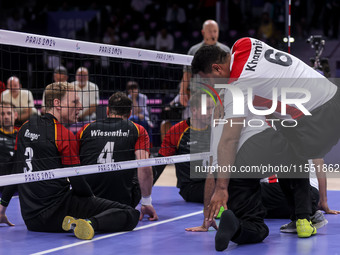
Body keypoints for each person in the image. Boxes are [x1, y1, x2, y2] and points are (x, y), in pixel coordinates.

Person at [189, 39, 340, 248]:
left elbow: (229, 140)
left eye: (210, 80)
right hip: (330, 94)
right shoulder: (244, 43)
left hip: (316, 117)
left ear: (217, 67)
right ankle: (304, 217)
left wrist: (221, 187)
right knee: (292, 153)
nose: (213, 86)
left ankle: (250, 225)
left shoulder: (238, 86)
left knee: (293, 153)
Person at [0, 82, 140, 240]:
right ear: (57, 103)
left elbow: (15, 171)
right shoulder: (63, 134)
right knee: (130, 213)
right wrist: (93, 201)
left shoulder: (25, 127)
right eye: (75, 102)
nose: (80, 107)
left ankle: (75, 221)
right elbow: (78, 183)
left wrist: (2, 207)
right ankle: (89, 223)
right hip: (58, 210)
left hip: (31, 219)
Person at [77, 92, 158, 221]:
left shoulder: (85, 128)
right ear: (130, 113)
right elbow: (144, 167)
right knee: (149, 167)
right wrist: (146, 202)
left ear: (107, 110)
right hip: (122, 201)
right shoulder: (138, 130)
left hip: (89, 200)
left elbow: (72, 163)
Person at [160, 20, 230, 141]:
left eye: (215, 31)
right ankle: (168, 152)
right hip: (194, 93)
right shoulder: (194, 50)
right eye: (210, 31)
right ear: (203, 32)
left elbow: (228, 76)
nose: (213, 34)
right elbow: (186, 75)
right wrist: (182, 93)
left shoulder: (225, 50)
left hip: (216, 95)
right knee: (166, 116)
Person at [154, 93, 214, 203]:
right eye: (207, 108)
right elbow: (159, 164)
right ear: (194, 110)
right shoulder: (177, 131)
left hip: (212, 180)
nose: (211, 113)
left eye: (212, 108)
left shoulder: (215, 128)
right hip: (191, 187)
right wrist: (144, 196)